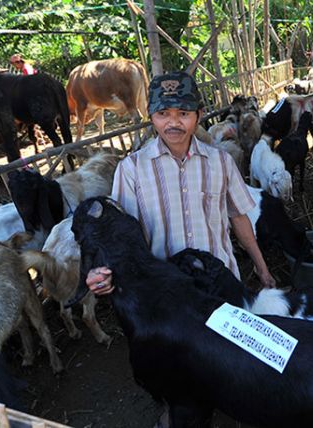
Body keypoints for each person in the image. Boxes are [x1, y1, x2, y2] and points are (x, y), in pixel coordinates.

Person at [86, 71, 276, 298]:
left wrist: (262, 269)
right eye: (163, 113)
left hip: (221, 283)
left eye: (184, 113)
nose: (173, 122)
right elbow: (120, 234)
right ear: (151, 115)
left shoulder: (221, 162)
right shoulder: (131, 169)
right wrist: (105, 272)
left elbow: (238, 217)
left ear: (199, 115)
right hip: (167, 293)